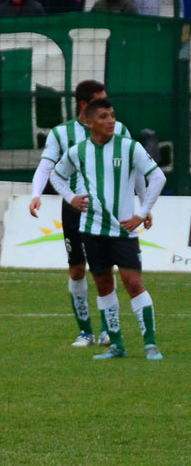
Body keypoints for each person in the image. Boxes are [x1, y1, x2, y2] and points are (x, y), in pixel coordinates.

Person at [50, 98, 165, 361]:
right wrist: (71, 198)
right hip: (91, 229)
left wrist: (143, 212)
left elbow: (157, 176)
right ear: (90, 122)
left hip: (123, 230)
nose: (111, 120)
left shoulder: (129, 147)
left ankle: (150, 344)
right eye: (104, 116)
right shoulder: (79, 151)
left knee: (133, 283)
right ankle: (116, 345)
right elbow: (56, 174)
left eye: (112, 115)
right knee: (103, 285)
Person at [30, 80, 137, 347]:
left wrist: (140, 204)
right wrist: (35, 194)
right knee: (77, 269)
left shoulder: (119, 129)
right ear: (83, 105)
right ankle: (85, 332)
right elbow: (46, 166)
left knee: (105, 270)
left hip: (108, 209)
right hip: (75, 209)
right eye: (99, 101)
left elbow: (135, 163)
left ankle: (107, 330)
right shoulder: (61, 133)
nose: (106, 109)